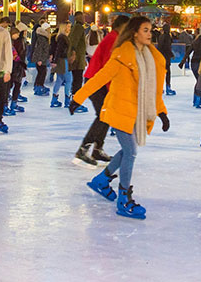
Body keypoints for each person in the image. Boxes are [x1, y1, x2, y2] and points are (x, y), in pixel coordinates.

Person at [71, 16, 170, 220]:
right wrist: (78, 98)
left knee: (128, 151)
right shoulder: (122, 55)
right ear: (134, 32)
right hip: (119, 109)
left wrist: (161, 112)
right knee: (131, 152)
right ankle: (124, 198)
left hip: (137, 112)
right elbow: (100, 77)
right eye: (145, 30)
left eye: (150, 30)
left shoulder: (153, 58)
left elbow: (155, 90)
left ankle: (101, 180)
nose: (150, 34)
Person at [73, 14, 130, 166]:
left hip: (99, 81)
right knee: (103, 115)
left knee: (106, 115)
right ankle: (84, 149)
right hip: (96, 81)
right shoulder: (113, 40)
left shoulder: (115, 38)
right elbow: (108, 68)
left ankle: (97, 148)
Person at [49, 22, 73, 108]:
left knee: (59, 79)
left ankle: (54, 99)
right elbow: (58, 50)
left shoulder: (60, 37)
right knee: (69, 80)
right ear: (64, 28)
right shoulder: (63, 38)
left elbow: (55, 49)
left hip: (60, 60)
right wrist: (54, 61)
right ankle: (67, 100)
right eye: (68, 27)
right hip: (63, 60)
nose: (70, 28)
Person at [68, 11, 87, 95]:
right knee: (78, 78)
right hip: (77, 58)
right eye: (83, 17)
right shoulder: (78, 27)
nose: (84, 19)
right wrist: (73, 53)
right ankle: (76, 98)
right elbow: (74, 41)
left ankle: (74, 97)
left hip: (78, 57)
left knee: (76, 78)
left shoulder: (75, 27)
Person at [31, 22, 51, 95]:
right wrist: (39, 59)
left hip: (42, 58)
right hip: (41, 59)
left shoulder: (43, 37)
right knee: (42, 73)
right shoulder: (42, 38)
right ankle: (39, 87)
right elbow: (39, 49)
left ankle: (38, 86)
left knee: (41, 73)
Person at [157, 22, 175, 96]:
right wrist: (171, 54)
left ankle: (160, 88)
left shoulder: (161, 36)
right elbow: (167, 47)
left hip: (160, 56)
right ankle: (168, 88)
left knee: (161, 73)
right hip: (166, 57)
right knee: (167, 73)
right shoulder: (167, 37)